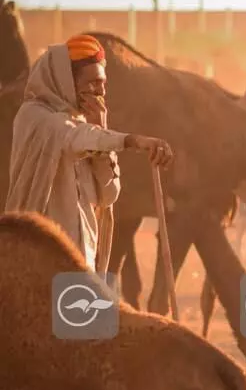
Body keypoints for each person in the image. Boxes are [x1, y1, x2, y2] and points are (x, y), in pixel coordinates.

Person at [6, 35, 172, 275]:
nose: (101, 91)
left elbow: (108, 196)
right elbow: (72, 137)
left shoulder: (85, 127)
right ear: (66, 81)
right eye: (93, 82)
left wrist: (101, 132)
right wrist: (134, 141)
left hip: (82, 260)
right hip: (40, 262)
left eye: (103, 83)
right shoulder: (34, 117)